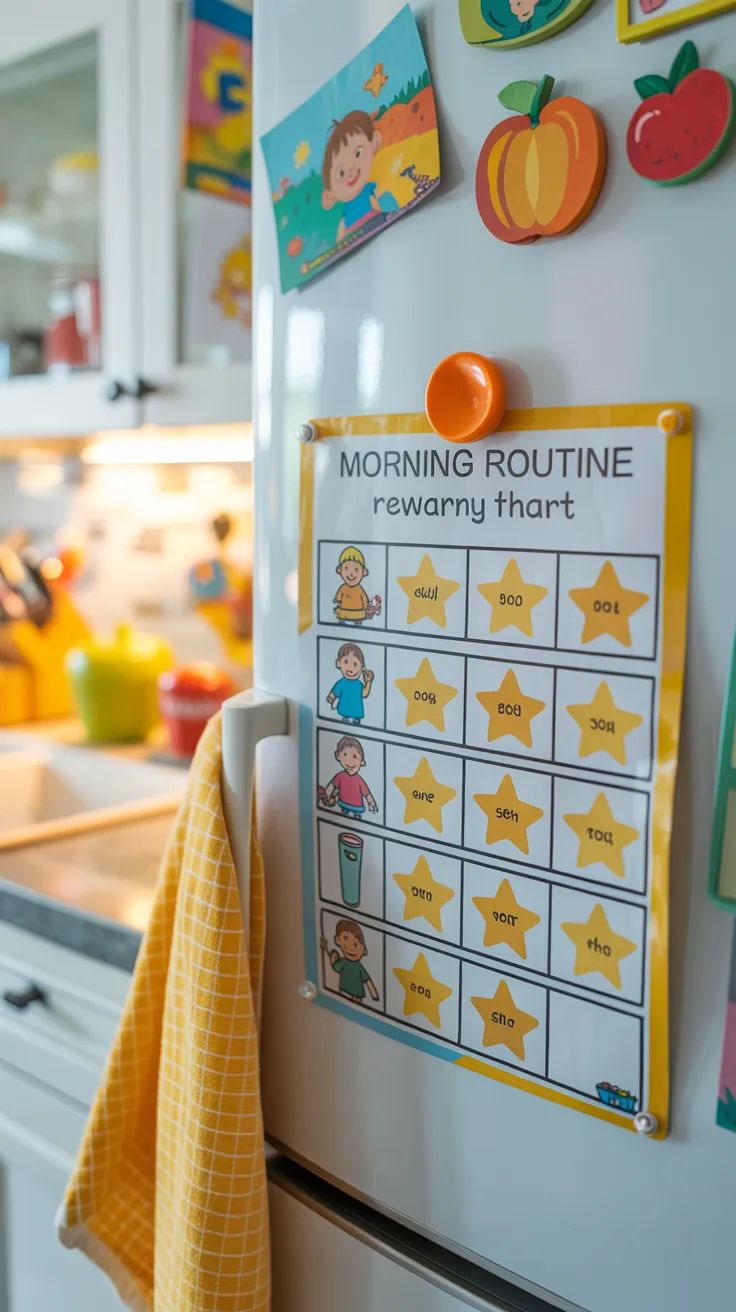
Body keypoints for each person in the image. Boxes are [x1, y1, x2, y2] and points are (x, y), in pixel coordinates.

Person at [321, 110, 389, 243]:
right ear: (331, 193)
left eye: (358, 153)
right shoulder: (346, 209)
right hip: (354, 237)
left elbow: (378, 205)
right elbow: (341, 232)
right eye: (341, 173)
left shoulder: (369, 190)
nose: (351, 171)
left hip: (375, 226)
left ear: (375, 141)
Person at [321, 919, 379, 1004]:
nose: (350, 947)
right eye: (345, 938)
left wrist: (374, 995)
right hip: (343, 991)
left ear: (364, 950)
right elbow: (336, 968)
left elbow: (367, 980)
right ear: (338, 940)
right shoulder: (343, 962)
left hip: (356, 996)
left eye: (355, 944)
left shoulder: (358, 967)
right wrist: (333, 960)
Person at [322, 735, 378, 818]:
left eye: (354, 756)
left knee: (356, 818)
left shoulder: (359, 780)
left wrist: (373, 804)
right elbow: (335, 788)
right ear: (338, 756)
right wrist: (331, 797)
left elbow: (367, 794)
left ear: (362, 762)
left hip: (357, 807)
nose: (349, 760)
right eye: (345, 754)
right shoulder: (340, 776)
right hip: (343, 804)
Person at [327, 641, 374, 724]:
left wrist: (368, 682)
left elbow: (364, 693)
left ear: (362, 667)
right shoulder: (342, 682)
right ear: (338, 663)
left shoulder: (359, 684)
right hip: (345, 715)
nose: (350, 668)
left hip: (356, 717)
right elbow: (334, 692)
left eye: (355, 664)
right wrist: (331, 698)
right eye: (346, 662)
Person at [333, 545, 377, 626]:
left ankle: (358, 624)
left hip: (358, 612)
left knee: (358, 620)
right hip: (344, 611)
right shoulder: (343, 588)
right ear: (339, 570)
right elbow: (338, 599)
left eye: (356, 569)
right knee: (341, 619)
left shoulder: (359, 589)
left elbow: (364, 601)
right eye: (346, 568)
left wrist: (367, 608)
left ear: (364, 572)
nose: (351, 574)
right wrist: (339, 604)